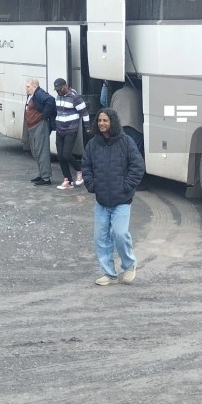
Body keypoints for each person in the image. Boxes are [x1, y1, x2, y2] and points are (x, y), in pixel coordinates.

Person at [81, 108, 145, 285]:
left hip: (122, 200)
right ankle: (109, 274)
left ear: (113, 122)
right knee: (100, 238)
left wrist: (126, 186)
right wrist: (92, 185)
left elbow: (137, 166)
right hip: (102, 201)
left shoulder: (126, 142)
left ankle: (129, 266)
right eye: (99, 120)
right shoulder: (93, 144)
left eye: (105, 120)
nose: (102, 123)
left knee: (120, 234)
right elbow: (86, 166)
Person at [53, 78, 90, 189]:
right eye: (56, 90)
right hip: (60, 129)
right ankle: (68, 180)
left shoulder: (75, 98)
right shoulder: (58, 97)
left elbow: (85, 113)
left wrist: (87, 127)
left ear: (65, 86)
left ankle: (79, 170)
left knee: (67, 154)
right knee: (60, 156)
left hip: (71, 129)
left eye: (60, 89)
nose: (58, 91)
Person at [24, 79, 56, 185]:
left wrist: (44, 115)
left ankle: (46, 178)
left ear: (34, 86)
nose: (26, 88)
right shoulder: (31, 95)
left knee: (42, 151)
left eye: (28, 86)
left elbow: (50, 100)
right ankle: (41, 174)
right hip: (32, 126)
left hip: (39, 125)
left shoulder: (39, 93)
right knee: (35, 151)